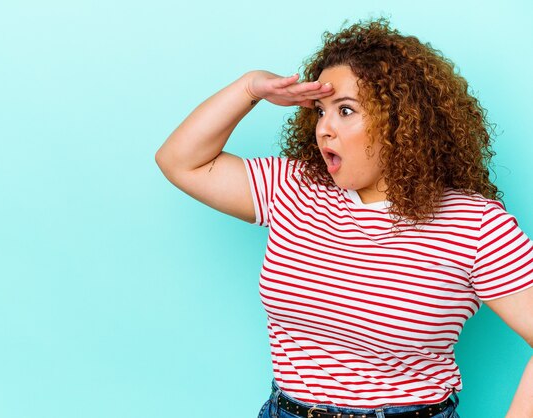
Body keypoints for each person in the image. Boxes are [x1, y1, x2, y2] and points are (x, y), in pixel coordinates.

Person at [155, 18, 533, 418]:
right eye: (320, 111)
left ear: (402, 123)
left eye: (345, 110)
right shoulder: (293, 187)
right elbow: (180, 162)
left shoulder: (475, 225)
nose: (324, 129)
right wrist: (250, 87)